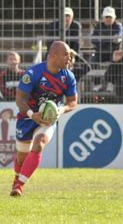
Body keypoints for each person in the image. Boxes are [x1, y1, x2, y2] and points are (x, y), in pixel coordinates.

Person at [11, 41, 78, 196]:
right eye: (66, 54)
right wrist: (31, 115)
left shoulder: (68, 77)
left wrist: (61, 110)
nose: (69, 58)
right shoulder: (33, 73)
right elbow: (20, 99)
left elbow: (72, 102)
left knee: (39, 143)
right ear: (54, 56)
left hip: (48, 119)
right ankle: (16, 179)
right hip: (27, 118)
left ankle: (20, 185)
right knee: (21, 157)